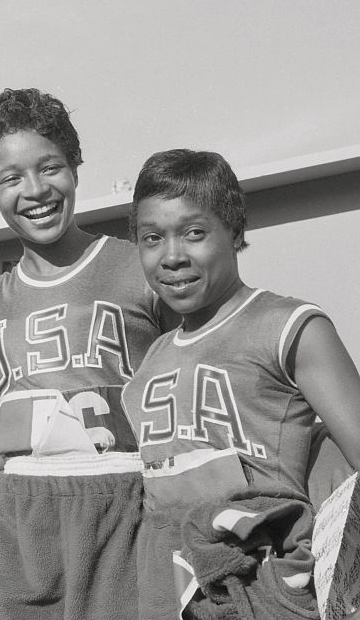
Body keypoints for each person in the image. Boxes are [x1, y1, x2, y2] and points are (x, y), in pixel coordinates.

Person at [122, 149, 360, 619]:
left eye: (194, 233)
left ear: (235, 232)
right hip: (171, 596)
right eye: (152, 238)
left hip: (265, 591)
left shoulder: (290, 326)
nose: (172, 256)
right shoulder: (149, 362)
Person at [0, 88, 174, 620]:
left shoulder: (141, 266)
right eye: (11, 178)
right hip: (21, 528)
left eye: (49, 167)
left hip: (127, 511)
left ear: (75, 166)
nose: (35, 190)